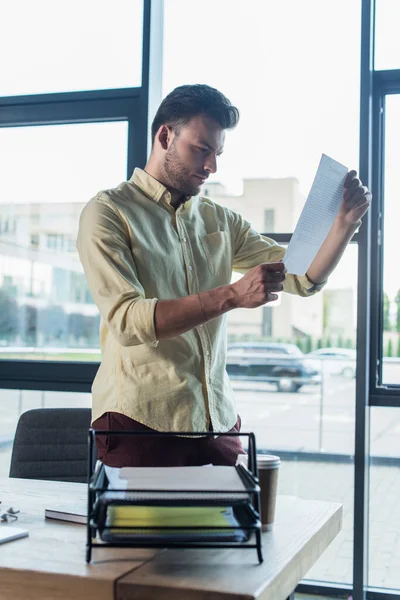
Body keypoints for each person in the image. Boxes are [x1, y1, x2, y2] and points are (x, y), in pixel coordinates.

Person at [77, 84, 371, 468]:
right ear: (165, 136)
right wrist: (231, 296)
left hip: (219, 423)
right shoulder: (109, 213)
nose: (212, 166)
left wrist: (344, 226)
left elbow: (300, 275)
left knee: (232, 528)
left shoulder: (220, 220)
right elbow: (129, 322)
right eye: (201, 150)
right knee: (149, 530)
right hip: (139, 420)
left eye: (217, 153)